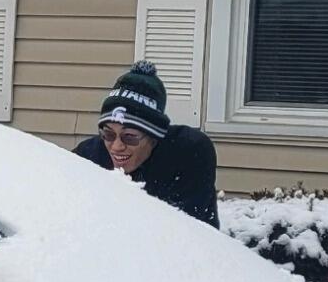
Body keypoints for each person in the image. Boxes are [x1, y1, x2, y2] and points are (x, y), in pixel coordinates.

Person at [74, 60, 221, 228]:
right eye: (108, 134)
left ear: (154, 137)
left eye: (130, 137)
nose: (116, 146)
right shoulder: (88, 157)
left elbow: (192, 230)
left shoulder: (187, 154)